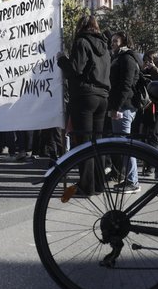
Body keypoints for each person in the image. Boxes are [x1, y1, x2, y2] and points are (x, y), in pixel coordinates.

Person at [57, 15, 110, 195]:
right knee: (97, 143)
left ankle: (87, 185)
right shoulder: (105, 46)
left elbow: (74, 70)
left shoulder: (81, 42)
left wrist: (61, 59)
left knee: (84, 144)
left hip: (85, 97)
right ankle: (99, 184)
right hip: (102, 97)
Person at [107, 31, 142, 192]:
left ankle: (132, 181)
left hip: (124, 107)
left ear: (123, 42)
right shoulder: (120, 57)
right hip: (122, 106)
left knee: (125, 145)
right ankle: (129, 179)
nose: (112, 43)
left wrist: (117, 107)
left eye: (116, 41)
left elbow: (126, 85)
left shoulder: (127, 58)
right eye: (112, 40)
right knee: (122, 144)